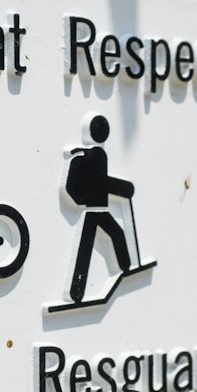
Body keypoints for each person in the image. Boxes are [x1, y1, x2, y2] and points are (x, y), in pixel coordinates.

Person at [65, 114, 134, 303]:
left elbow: (98, 182)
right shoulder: (93, 156)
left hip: (98, 209)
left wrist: (81, 199)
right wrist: (123, 188)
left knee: (101, 241)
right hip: (94, 210)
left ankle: (125, 267)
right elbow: (101, 182)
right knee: (94, 244)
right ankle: (77, 292)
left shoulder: (94, 155)